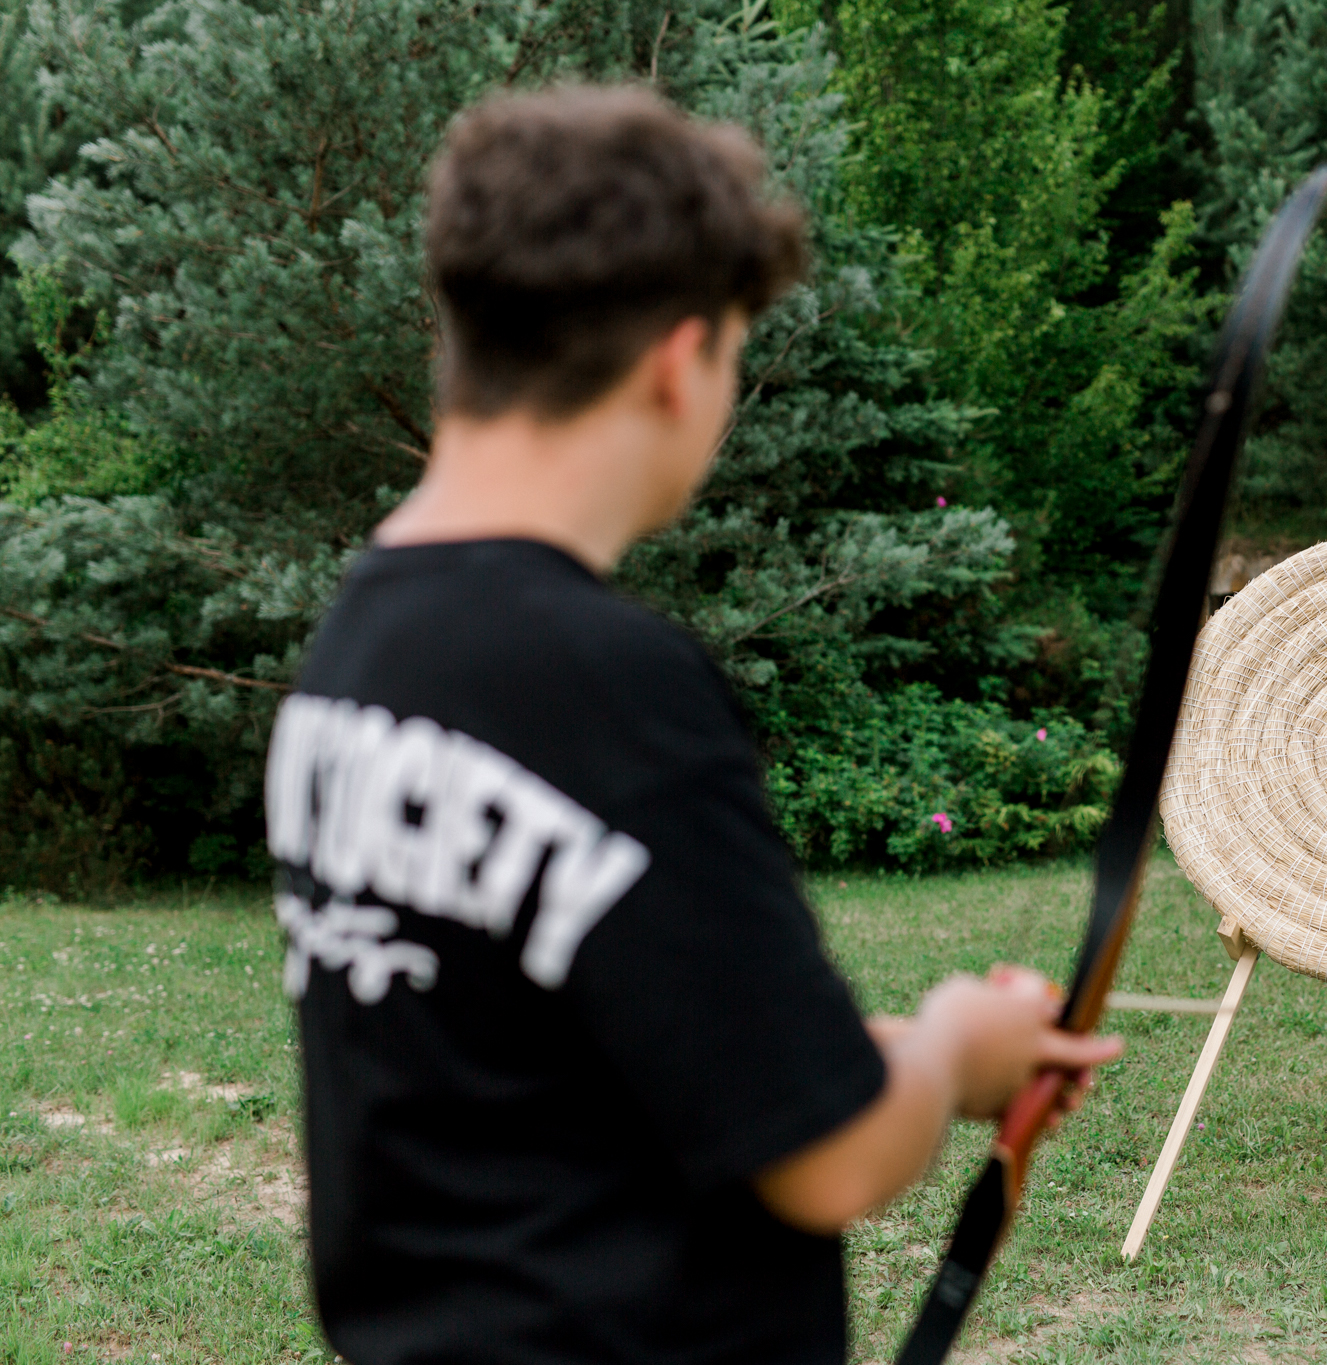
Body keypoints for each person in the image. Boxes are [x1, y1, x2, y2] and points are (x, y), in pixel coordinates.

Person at [263, 85, 1121, 1365]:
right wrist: (942, 1055)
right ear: (680, 360)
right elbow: (824, 1167)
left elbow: (576, 1056)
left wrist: (941, 1052)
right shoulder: (609, 687)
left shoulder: (356, 650)